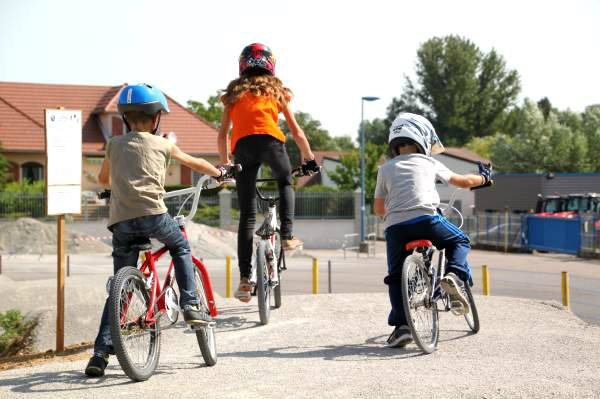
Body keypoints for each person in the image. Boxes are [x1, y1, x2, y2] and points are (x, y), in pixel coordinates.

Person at [85, 83, 226, 377]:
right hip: (154, 215)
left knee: (118, 292)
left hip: (121, 222)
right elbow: (195, 163)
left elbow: (103, 179)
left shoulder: (113, 144)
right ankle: (189, 303)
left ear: (125, 119)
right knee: (180, 246)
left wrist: (115, 188)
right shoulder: (162, 144)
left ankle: (100, 353)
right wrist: (221, 173)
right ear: (155, 119)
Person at [373, 112, 492, 348]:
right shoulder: (429, 162)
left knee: (395, 277)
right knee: (460, 241)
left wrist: (394, 215)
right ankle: (454, 275)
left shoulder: (385, 168)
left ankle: (402, 328)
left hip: (395, 228)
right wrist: (484, 179)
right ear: (423, 138)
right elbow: (462, 181)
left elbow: (378, 208)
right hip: (427, 220)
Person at [217, 43, 318, 303]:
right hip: (271, 143)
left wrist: (226, 163)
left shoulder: (233, 93)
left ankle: (243, 280)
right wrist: (309, 159)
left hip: (242, 148)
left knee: (247, 216)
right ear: (271, 66)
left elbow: (223, 133)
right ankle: (286, 237)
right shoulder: (276, 91)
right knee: (285, 182)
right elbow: (297, 131)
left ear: (242, 65)